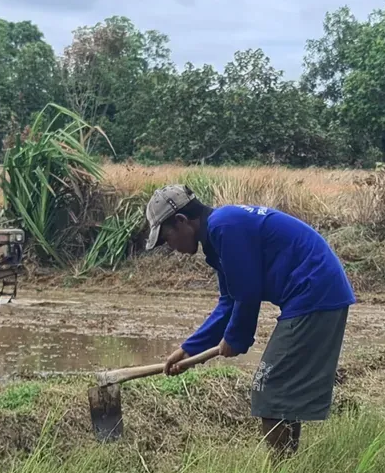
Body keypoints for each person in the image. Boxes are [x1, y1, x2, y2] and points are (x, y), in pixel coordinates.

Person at [145, 185, 356, 458]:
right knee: (279, 395)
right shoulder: (220, 232)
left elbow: (247, 292)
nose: (170, 247)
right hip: (315, 294)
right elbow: (230, 301)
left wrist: (236, 339)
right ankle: (288, 470)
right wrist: (189, 349)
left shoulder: (225, 227)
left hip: (313, 295)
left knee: (268, 392)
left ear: (182, 221)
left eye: (166, 238)